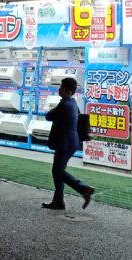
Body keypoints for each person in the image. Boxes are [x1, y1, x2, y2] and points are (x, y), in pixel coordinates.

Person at [42, 77, 95, 210]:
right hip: (70, 142)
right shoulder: (72, 102)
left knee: (58, 170)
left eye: (62, 88)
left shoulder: (64, 105)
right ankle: (58, 201)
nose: (59, 89)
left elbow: (48, 116)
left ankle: (84, 189)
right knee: (58, 171)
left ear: (69, 92)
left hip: (64, 143)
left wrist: (55, 109)